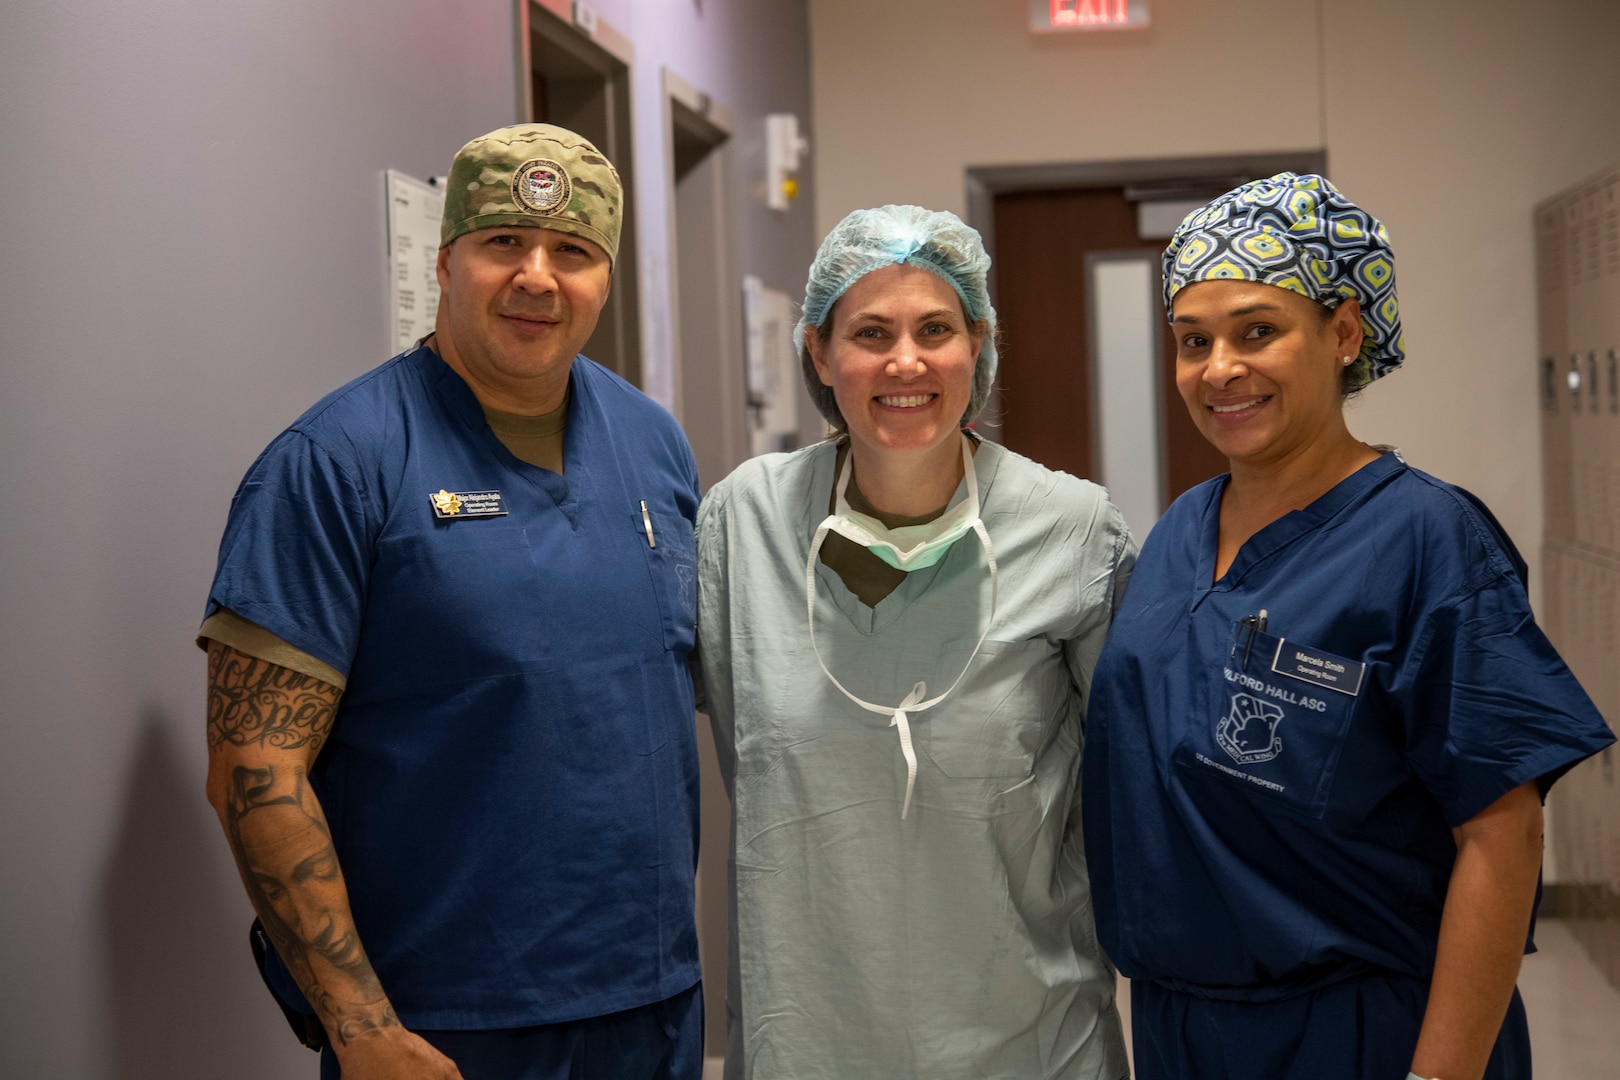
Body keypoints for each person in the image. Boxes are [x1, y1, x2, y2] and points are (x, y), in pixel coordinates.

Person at [1081, 173, 1616, 1080]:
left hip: (1362, 1033)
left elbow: (1502, 832)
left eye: (1258, 331)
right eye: (1191, 341)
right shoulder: (1178, 530)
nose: (1219, 369)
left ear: (1341, 333)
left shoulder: (1425, 539)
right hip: (1182, 1026)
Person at [200, 124, 704, 1080]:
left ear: (606, 278)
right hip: (442, 1024)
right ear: (444, 261)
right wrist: (358, 1028)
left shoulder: (653, 442)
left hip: (652, 1003)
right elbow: (252, 770)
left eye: (574, 252)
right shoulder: (336, 463)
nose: (537, 277)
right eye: (504, 242)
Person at [696, 205, 1134, 1079]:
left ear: (979, 342)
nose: (906, 361)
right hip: (808, 1040)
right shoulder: (743, 524)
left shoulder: (1072, 529)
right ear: (819, 354)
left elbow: (1133, 789)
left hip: (1031, 1041)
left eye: (936, 328)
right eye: (870, 332)